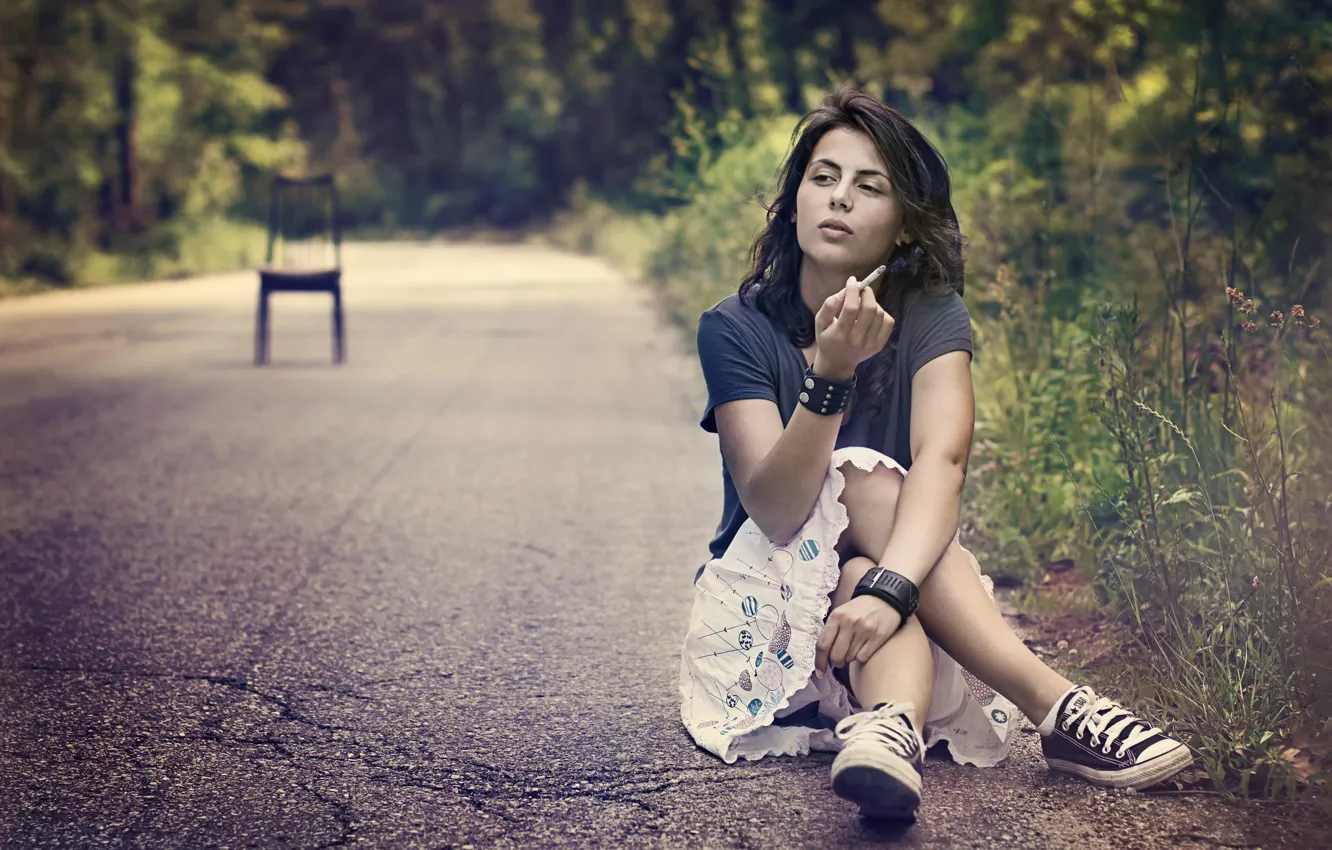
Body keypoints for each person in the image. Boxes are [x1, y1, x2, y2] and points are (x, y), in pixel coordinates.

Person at [677, 86, 1193, 822]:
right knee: (854, 471)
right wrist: (829, 377)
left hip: (885, 589)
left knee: (862, 572)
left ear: (903, 227)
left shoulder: (930, 312)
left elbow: (942, 463)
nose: (840, 200)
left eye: (869, 186)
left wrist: (887, 586)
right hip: (766, 616)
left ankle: (888, 733)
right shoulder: (733, 327)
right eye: (823, 178)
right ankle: (1057, 705)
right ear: (793, 200)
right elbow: (778, 510)